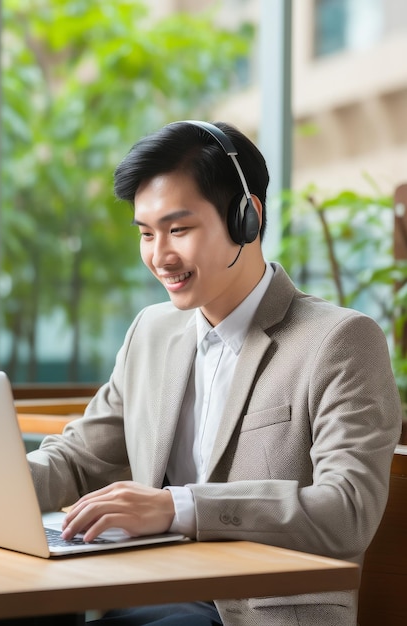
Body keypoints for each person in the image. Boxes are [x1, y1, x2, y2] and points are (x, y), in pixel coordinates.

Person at [27, 120, 402, 626]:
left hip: (254, 611)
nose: (160, 256)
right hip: (142, 591)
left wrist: (176, 508)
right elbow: (78, 458)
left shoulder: (340, 341)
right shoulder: (152, 332)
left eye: (178, 229)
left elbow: (346, 510)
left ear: (246, 217)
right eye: (146, 233)